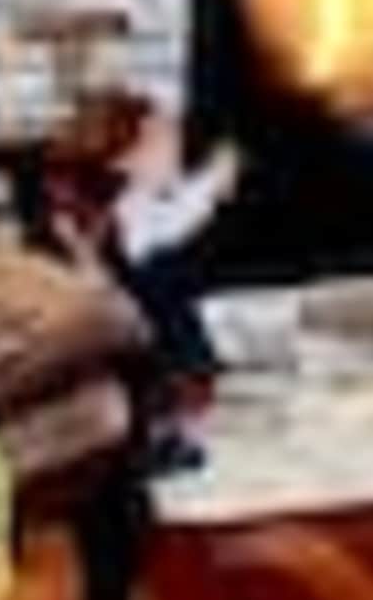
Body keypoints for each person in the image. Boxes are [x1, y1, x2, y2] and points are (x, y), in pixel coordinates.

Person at [36, 80, 236, 471]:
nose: (177, 154)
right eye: (165, 147)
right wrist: (212, 181)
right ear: (125, 161)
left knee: (167, 374)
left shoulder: (113, 209)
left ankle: (162, 438)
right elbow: (176, 219)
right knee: (175, 373)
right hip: (146, 333)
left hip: (136, 326)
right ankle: (156, 444)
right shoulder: (128, 211)